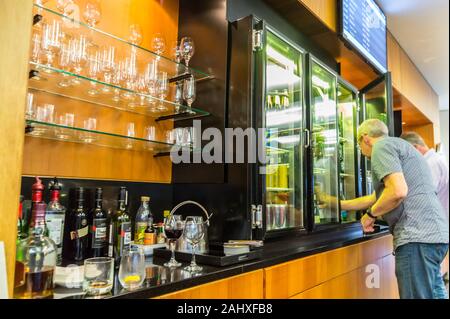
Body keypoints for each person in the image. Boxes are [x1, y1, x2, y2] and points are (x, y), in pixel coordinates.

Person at [341, 119, 449, 299]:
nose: (361, 151)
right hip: (436, 235)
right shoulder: (403, 147)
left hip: (415, 237)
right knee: (436, 293)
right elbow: (377, 197)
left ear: (365, 138)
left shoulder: (381, 148)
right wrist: (339, 204)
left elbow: (397, 191)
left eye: (359, 144)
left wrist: (370, 215)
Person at [400, 132, 449, 221]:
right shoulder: (436, 159)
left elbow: (424, 197)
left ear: (414, 148)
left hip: (434, 223)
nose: (405, 159)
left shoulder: (430, 164)